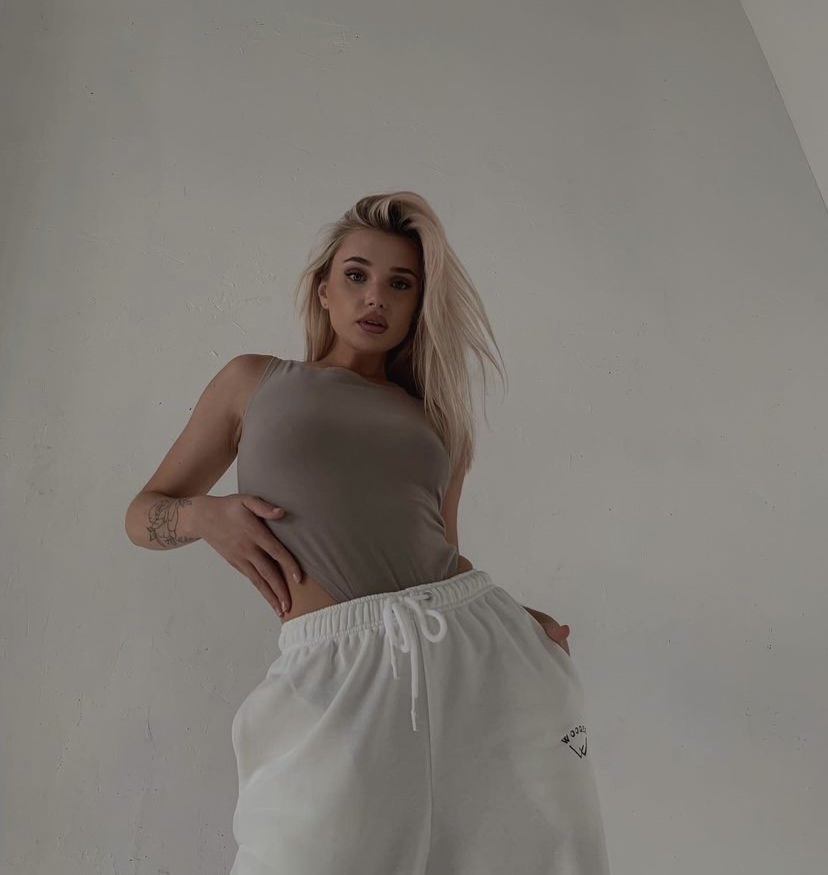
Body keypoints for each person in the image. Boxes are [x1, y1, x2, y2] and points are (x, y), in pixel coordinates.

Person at [125, 191, 611, 874]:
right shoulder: (253, 382)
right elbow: (141, 515)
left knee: (528, 855)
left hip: (477, 653)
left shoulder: (436, 421)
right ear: (324, 288)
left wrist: (516, 617)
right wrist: (205, 515)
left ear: (418, 305)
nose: (375, 296)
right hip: (334, 665)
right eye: (356, 275)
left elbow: (440, 553)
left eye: (400, 284)